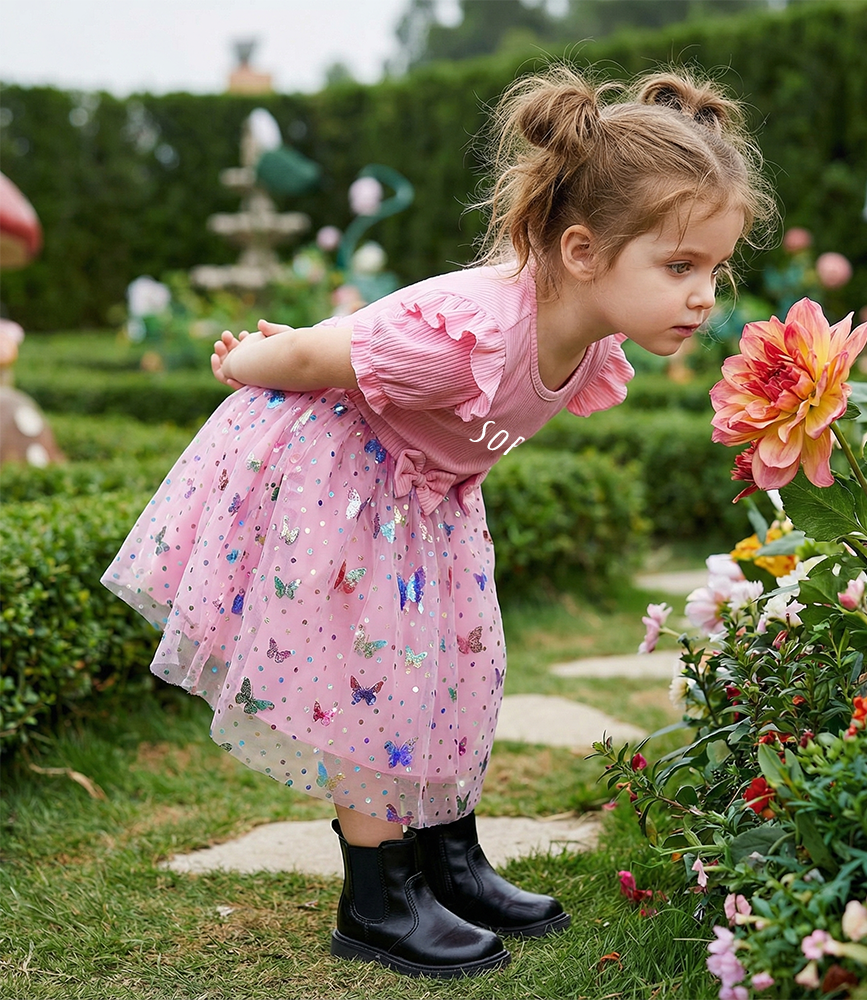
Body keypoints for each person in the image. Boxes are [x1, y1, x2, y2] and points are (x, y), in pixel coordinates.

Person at [102, 65, 774, 979]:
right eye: (680, 267)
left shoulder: (587, 341)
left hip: (429, 495)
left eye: (714, 269)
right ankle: (377, 898)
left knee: (462, 659)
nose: (704, 295)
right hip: (337, 476)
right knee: (374, 674)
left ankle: (448, 860)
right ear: (582, 251)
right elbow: (319, 350)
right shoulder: (471, 334)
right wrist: (248, 355)